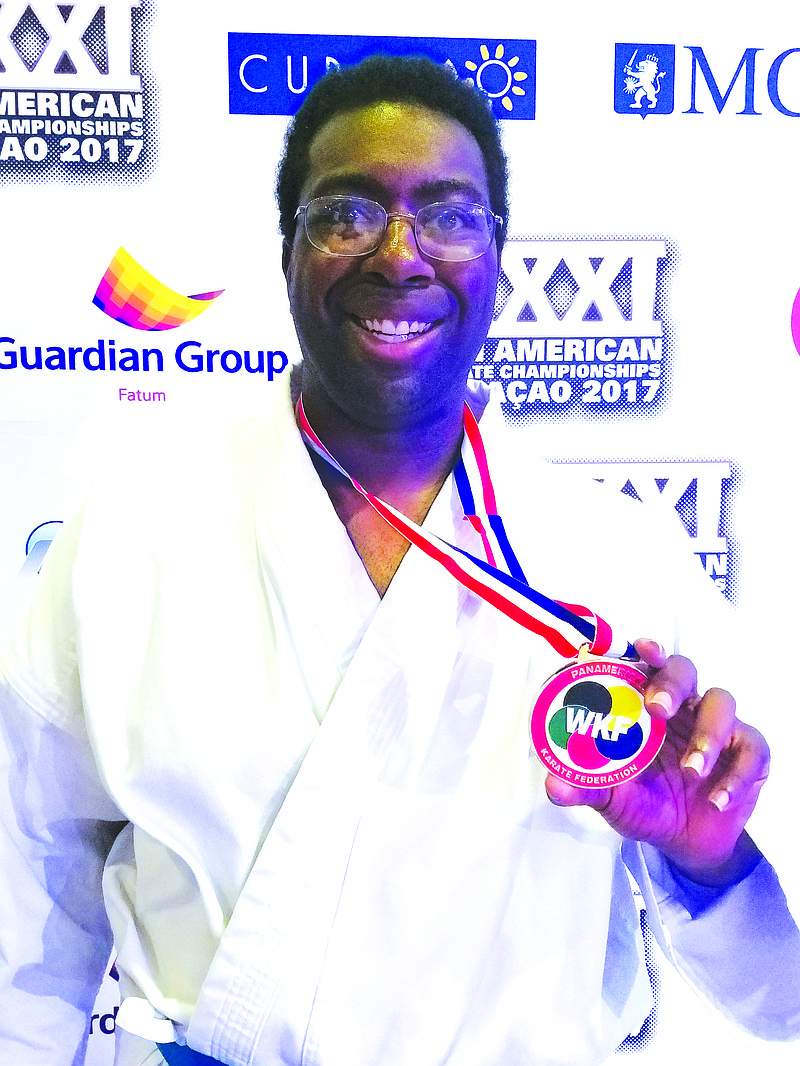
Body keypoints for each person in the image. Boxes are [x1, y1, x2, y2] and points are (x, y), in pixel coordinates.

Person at [0, 54, 798, 1066]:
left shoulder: (619, 561)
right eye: (344, 213)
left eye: (450, 215)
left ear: (497, 254)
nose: (399, 253)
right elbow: (27, 901)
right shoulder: (128, 537)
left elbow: (779, 996)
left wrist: (706, 862)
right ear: (287, 251)